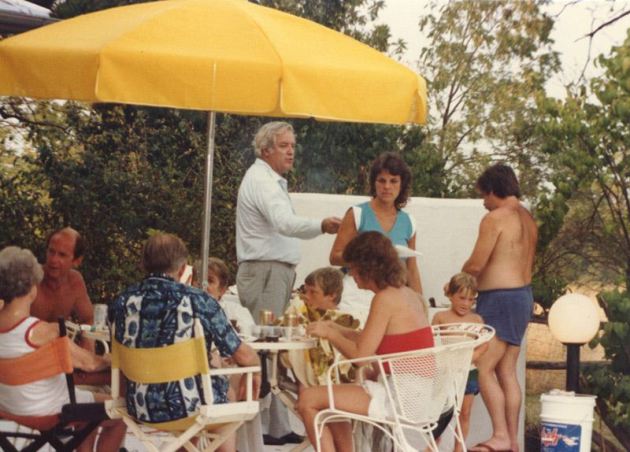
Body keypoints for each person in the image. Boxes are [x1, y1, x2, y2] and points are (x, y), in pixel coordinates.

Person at [235, 121, 341, 445]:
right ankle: (252, 435)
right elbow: (284, 222)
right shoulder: (263, 182)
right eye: (284, 145)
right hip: (266, 272)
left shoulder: (270, 180)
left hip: (273, 272)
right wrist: (322, 225)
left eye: (292, 145)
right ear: (266, 149)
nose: (291, 150)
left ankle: (275, 428)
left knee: (273, 354)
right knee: (266, 350)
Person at [109, 234, 261, 436]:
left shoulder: (121, 303)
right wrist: (258, 371)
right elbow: (242, 354)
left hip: (139, 407)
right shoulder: (198, 301)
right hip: (191, 407)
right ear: (182, 269)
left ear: (142, 264)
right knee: (224, 391)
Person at [297, 231, 433, 452]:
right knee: (328, 401)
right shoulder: (406, 293)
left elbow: (361, 357)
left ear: (368, 268)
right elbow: (378, 341)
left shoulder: (385, 299)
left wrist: (330, 334)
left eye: (352, 267)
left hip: (400, 395)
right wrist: (338, 328)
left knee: (308, 400)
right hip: (416, 391)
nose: (350, 273)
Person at [0, 246, 126, 452]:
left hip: (8, 408)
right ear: (32, 289)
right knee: (122, 411)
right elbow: (90, 364)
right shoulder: (43, 332)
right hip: (53, 411)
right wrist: (110, 359)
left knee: (86, 410)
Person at [462, 164, 537, 452]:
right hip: (522, 297)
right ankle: (512, 441)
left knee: (484, 365)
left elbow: (477, 264)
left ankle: (501, 435)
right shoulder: (528, 218)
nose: (483, 202)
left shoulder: (495, 217)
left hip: (501, 298)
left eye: (484, 195)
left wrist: (457, 281)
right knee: (507, 370)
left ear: (493, 189)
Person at [433, 272, 485, 452]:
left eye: (471, 300)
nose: (466, 304)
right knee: (441, 411)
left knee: (465, 413)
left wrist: (470, 357)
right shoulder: (441, 317)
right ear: (450, 295)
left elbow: (484, 345)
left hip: (468, 370)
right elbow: (431, 342)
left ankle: (459, 448)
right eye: (462, 298)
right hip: (445, 370)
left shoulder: (476, 320)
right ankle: (434, 443)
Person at [31, 227, 94, 325]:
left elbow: (87, 320)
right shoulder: (29, 278)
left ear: (77, 261)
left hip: (57, 340)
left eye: (62, 255)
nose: (53, 259)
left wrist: (85, 340)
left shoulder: (75, 282)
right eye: (51, 251)